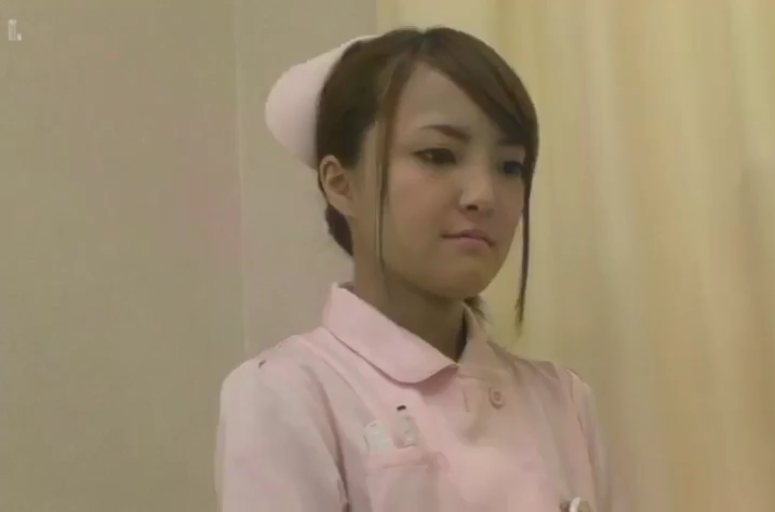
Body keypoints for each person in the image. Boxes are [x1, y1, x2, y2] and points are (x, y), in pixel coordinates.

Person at [215, 26, 623, 512]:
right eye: (438, 156)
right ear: (341, 184)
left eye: (510, 166)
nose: (484, 196)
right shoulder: (289, 395)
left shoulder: (564, 402)